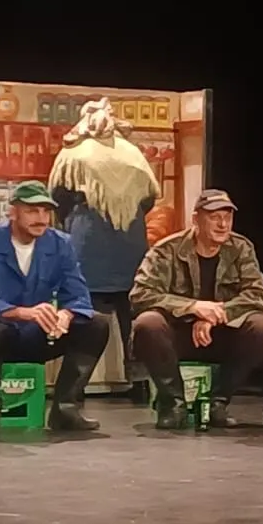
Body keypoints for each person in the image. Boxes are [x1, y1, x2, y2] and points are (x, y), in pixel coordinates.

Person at [0, 181, 110, 434]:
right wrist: (22, 312)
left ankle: (66, 409)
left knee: (96, 324)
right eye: (31, 211)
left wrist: (66, 314)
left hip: (39, 335)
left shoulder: (60, 244)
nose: (40, 218)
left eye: (45, 211)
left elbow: (78, 294)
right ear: (13, 212)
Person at [130, 189, 263, 431]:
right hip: (179, 334)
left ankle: (218, 402)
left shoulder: (240, 248)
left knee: (259, 326)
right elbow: (140, 295)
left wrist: (216, 315)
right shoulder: (166, 250)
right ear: (196, 219)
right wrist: (194, 307)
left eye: (227, 217)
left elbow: (258, 294)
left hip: (221, 333)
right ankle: (173, 404)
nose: (223, 224)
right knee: (148, 323)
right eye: (214, 217)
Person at [48, 97, 160, 386]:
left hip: (88, 240)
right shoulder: (132, 153)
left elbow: (57, 197)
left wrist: (76, 218)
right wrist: (125, 213)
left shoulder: (73, 152)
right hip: (131, 239)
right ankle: (140, 381)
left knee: (87, 312)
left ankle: (76, 385)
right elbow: (149, 198)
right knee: (132, 310)